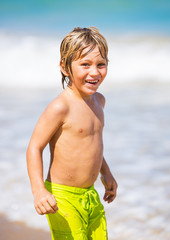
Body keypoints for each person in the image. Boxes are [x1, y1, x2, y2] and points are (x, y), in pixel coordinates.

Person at [26, 27, 117, 240]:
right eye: (85, 64)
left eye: (101, 64)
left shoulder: (99, 101)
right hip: (63, 197)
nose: (94, 72)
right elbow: (34, 147)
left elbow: (92, 145)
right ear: (65, 67)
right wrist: (39, 190)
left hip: (90, 195)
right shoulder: (61, 107)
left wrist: (106, 172)